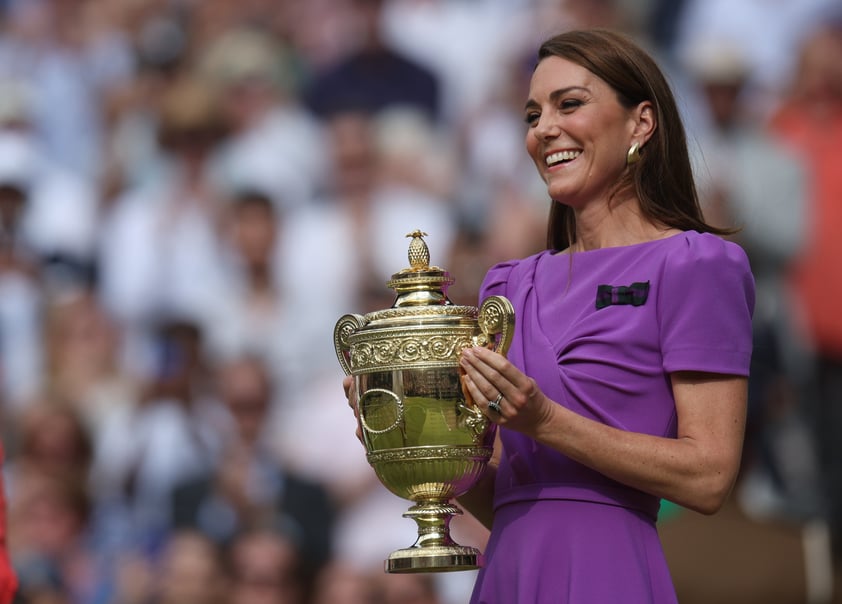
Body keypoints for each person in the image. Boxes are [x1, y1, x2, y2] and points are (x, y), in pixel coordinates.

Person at [344, 28, 755, 603]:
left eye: (570, 104)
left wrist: (544, 419)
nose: (544, 129)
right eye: (532, 114)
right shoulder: (508, 286)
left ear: (641, 122)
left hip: (609, 575)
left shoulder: (697, 265)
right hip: (509, 573)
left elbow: (709, 476)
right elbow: (512, 495)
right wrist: (412, 439)